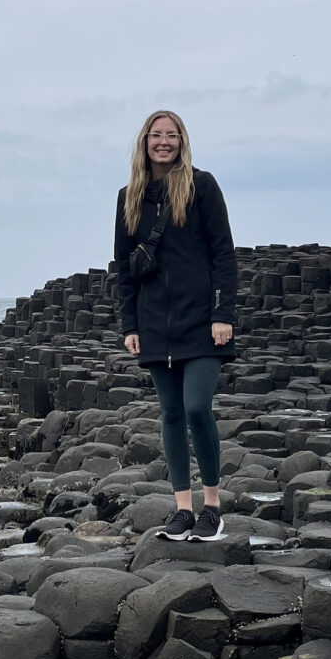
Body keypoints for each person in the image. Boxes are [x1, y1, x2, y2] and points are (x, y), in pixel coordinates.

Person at [114, 110, 237, 541]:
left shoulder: (202, 185)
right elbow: (123, 267)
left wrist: (223, 314)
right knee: (169, 413)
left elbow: (223, 253)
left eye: (172, 135)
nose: (163, 142)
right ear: (145, 140)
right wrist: (130, 323)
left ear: (182, 141)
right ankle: (182, 509)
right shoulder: (129, 195)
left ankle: (212, 508)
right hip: (153, 323)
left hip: (202, 321)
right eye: (156, 134)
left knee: (197, 409)